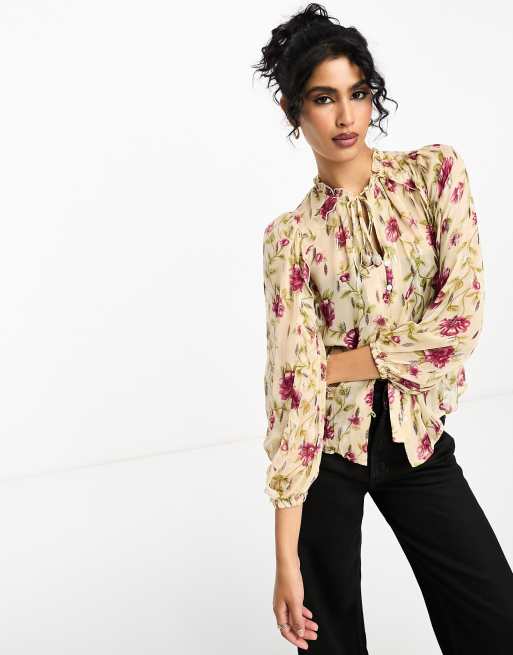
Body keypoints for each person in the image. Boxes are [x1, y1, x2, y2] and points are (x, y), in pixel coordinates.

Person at [252, 3, 513, 654]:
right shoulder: (290, 239)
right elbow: (292, 397)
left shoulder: (433, 176)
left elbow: (459, 321)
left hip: (415, 445)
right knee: (329, 641)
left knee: (495, 621)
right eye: (323, 98)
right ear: (292, 111)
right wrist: (284, 557)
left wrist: (337, 364)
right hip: (326, 459)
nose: (346, 116)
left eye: (358, 93)